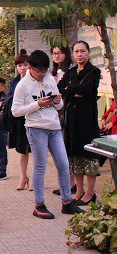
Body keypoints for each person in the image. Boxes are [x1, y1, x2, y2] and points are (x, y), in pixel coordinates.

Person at [11, 50, 84, 219]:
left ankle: (67, 202)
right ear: (31, 67)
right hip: (35, 128)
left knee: (64, 164)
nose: (42, 75)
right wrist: (37, 104)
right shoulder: (23, 85)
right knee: (40, 166)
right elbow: (15, 111)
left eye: (45, 71)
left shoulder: (50, 79)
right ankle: (39, 205)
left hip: (54, 127)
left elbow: (59, 107)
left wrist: (58, 102)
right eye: (39, 71)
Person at [58, 40, 101, 206]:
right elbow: (60, 89)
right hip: (72, 120)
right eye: (76, 52)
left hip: (87, 121)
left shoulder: (94, 72)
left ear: (88, 53)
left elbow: (87, 89)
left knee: (89, 156)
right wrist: (71, 92)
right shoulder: (70, 72)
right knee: (74, 156)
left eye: (82, 51)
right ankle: (79, 190)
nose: (79, 54)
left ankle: (90, 193)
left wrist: (70, 90)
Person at [50, 45, 76, 196]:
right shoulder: (53, 72)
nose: (57, 56)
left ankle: (70, 184)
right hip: (55, 113)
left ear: (66, 54)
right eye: (54, 53)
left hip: (66, 112)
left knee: (66, 150)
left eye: (60, 53)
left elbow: (66, 92)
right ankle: (66, 183)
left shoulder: (70, 71)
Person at [7, 50, 32, 191]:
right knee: (23, 150)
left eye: (26, 64)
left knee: (35, 150)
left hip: (34, 119)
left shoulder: (34, 80)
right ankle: (23, 177)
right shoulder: (14, 82)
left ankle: (33, 179)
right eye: (20, 65)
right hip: (19, 120)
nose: (23, 68)